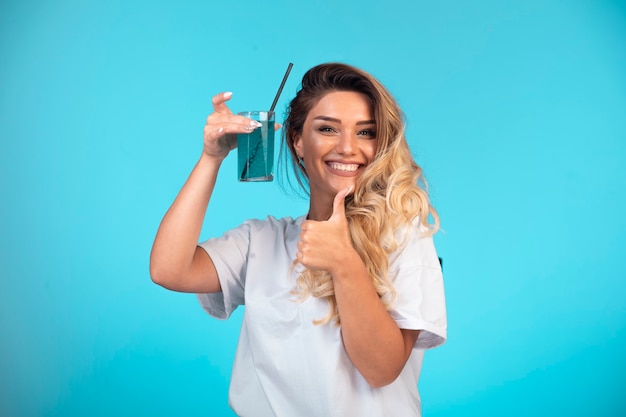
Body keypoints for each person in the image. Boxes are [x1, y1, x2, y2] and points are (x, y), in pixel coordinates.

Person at [150, 63, 447, 417]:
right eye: (327, 129)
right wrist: (211, 157)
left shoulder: (404, 237)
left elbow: (382, 370)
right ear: (297, 141)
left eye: (366, 132)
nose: (348, 147)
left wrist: (343, 263)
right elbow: (169, 269)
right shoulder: (262, 242)